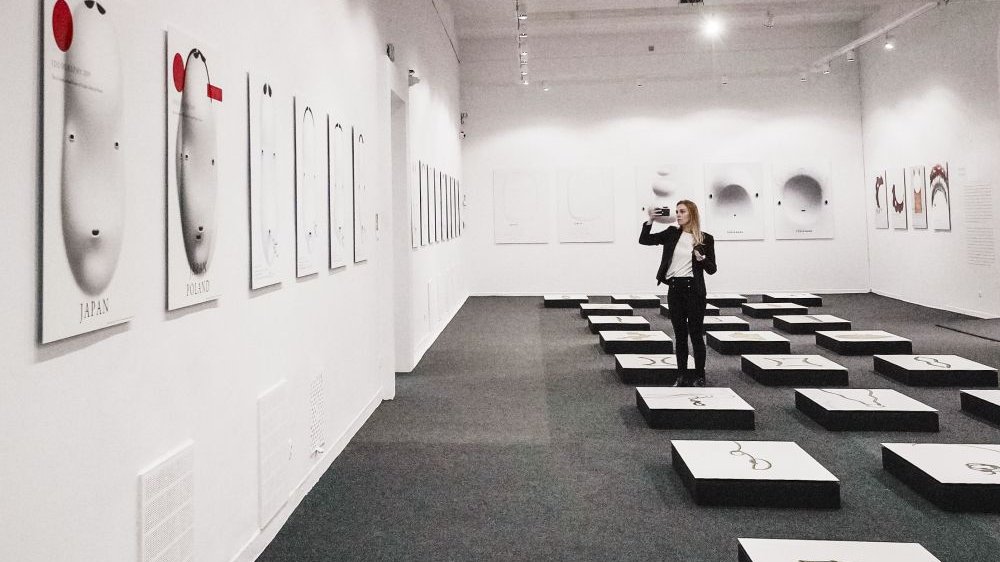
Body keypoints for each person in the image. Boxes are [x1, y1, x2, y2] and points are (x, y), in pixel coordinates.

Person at [639, 200, 717, 387]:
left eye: (682, 211)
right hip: (675, 289)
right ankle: (681, 375)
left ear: (692, 214)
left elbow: (712, 269)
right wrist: (650, 220)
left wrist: (703, 258)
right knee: (680, 335)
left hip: (695, 291)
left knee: (696, 335)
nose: (678, 214)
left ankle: (700, 376)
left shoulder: (705, 238)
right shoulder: (671, 233)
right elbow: (644, 240)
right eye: (677, 211)